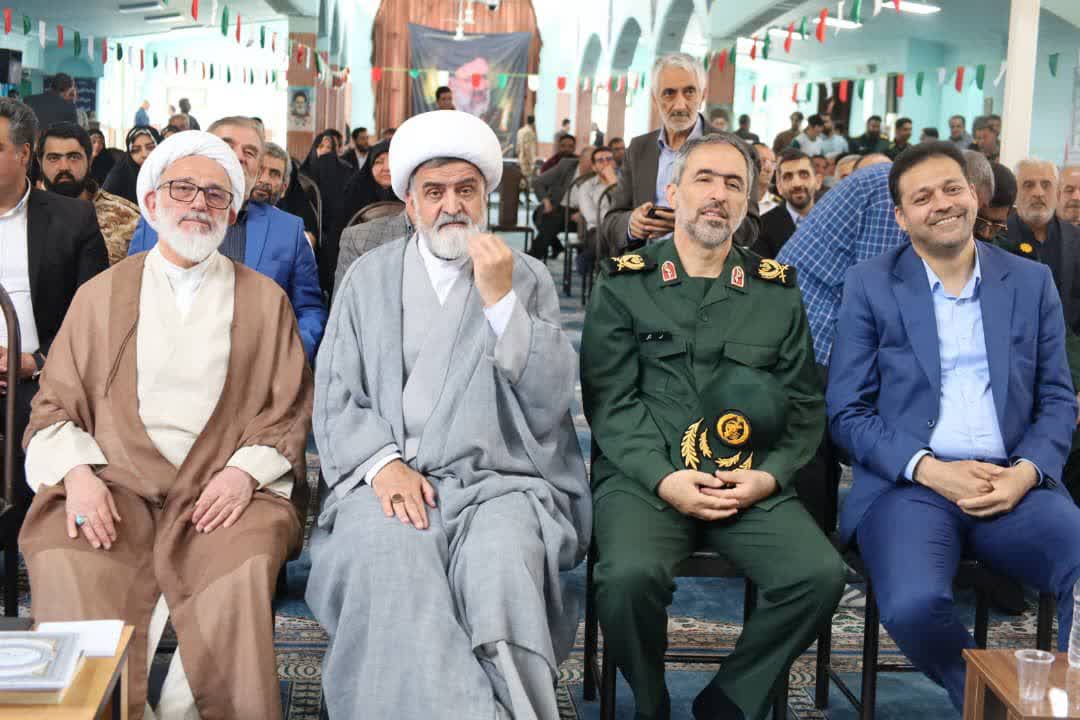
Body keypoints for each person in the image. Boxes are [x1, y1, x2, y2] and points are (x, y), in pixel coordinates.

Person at [307, 109, 590, 720]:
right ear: (409, 204)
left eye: (466, 190)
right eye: (434, 192)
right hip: (388, 480)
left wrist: (500, 301)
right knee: (392, 558)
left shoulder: (526, 276)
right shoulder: (368, 278)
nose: (451, 205)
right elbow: (334, 391)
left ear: (485, 198)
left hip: (503, 483)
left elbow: (550, 400)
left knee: (501, 569)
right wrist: (381, 465)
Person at [21, 130, 313, 720]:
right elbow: (53, 407)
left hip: (223, 492)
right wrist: (78, 476)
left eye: (215, 194)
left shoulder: (265, 301)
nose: (199, 204)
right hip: (116, 485)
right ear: (152, 203)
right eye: (183, 189)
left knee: (243, 560)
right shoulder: (99, 296)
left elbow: (286, 409)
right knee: (66, 552)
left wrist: (242, 475)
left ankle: (191, 709)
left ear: (232, 212)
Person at [581, 131, 845, 720]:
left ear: (748, 203)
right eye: (704, 179)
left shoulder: (775, 291)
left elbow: (804, 405)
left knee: (819, 575)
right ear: (673, 191)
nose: (718, 194)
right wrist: (664, 478)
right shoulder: (624, 282)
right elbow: (610, 402)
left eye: (734, 184)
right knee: (625, 579)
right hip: (647, 476)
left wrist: (769, 478)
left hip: (744, 478)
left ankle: (730, 701)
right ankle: (650, 700)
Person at [827, 141, 1080, 711]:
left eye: (951, 188)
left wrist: (1026, 473)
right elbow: (847, 412)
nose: (941, 203)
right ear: (901, 217)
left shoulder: (1030, 281)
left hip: (1012, 482)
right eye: (922, 197)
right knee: (913, 605)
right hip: (911, 487)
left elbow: (1057, 399)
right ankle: (992, 704)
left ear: (974, 195)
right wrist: (929, 470)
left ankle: (1068, 704)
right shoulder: (870, 284)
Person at [128, 116, 327, 361]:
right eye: (227, 144)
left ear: (258, 168)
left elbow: (309, 309)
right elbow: (130, 295)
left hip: (258, 371)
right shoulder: (160, 218)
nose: (239, 156)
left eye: (250, 152)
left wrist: (287, 358)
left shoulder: (288, 230)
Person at [0, 99, 108, 516]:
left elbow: (95, 315)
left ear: (24, 154)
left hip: (43, 377)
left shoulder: (73, 219)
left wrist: (36, 362)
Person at [601, 52, 760, 257]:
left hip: (709, 267)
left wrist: (690, 222)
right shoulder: (639, 149)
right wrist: (632, 224)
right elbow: (612, 222)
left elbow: (749, 231)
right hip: (647, 263)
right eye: (669, 93)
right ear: (655, 98)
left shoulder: (736, 151)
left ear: (703, 95)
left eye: (689, 92)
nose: (679, 105)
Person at [777, 162, 904, 365]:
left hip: (800, 322)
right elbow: (878, 299)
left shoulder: (885, 180)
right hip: (813, 334)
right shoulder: (888, 193)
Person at [37, 123, 140, 266]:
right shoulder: (25, 215)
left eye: (74, 157)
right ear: (40, 162)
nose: (64, 167)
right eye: (54, 158)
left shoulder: (126, 217)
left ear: (90, 161)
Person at [1007, 159, 1080, 334]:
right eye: (1028, 185)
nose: (1038, 193)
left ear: (1058, 193)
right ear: (1015, 193)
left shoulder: (1076, 239)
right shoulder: (999, 238)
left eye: (1046, 185)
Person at [753, 148, 819, 259]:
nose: (797, 184)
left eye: (804, 174)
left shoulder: (834, 219)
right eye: (788, 177)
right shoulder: (763, 227)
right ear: (779, 187)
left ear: (818, 181)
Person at [252, 142, 318, 251]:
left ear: (284, 188)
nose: (264, 180)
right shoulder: (227, 218)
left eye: (274, 174)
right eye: (259, 170)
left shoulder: (294, 232)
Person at [531, 142, 591, 259]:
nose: (593, 165)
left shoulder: (599, 172)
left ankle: (533, 256)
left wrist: (583, 213)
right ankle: (553, 248)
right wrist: (546, 201)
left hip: (582, 214)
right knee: (539, 216)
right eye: (590, 161)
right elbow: (538, 182)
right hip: (558, 207)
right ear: (581, 159)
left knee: (549, 222)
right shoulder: (566, 165)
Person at [569, 144, 618, 269]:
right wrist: (616, 219)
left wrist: (614, 184)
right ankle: (608, 271)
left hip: (624, 228)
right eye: (600, 160)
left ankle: (588, 259)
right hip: (597, 230)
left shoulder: (625, 183)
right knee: (608, 239)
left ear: (614, 163)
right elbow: (591, 217)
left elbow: (632, 206)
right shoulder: (586, 187)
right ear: (594, 167)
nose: (606, 163)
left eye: (609, 159)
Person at [341, 140, 396, 234]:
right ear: (370, 166)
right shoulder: (355, 190)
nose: (387, 168)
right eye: (379, 162)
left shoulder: (409, 192)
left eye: (393, 161)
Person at [102, 126, 161, 205]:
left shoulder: (170, 169)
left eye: (150, 147)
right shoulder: (118, 176)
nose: (144, 154)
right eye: (136, 150)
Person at [753, 142, 780, 214]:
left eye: (773, 163)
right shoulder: (735, 199)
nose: (769, 169)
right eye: (763, 161)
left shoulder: (778, 204)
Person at [516, 114, 538, 185]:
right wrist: (531, 161)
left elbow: (518, 147)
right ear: (534, 122)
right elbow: (528, 148)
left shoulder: (520, 131)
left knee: (521, 181)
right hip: (527, 161)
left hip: (520, 159)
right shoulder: (529, 132)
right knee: (527, 182)